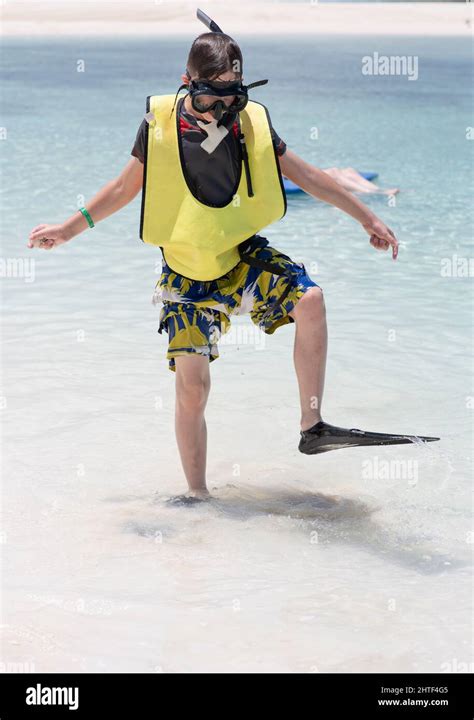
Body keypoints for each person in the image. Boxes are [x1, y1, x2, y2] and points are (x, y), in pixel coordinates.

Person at [28, 10, 437, 502]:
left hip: (239, 259)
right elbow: (122, 188)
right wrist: (68, 230)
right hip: (184, 277)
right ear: (186, 83)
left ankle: (312, 426)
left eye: (232, 97)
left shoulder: (249, 124)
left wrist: (366, 218)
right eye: (208, 97)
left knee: (310, 300)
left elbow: (307, 176)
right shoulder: (158, 126)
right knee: (193, 388)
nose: (219, 110)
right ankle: (198, 497)